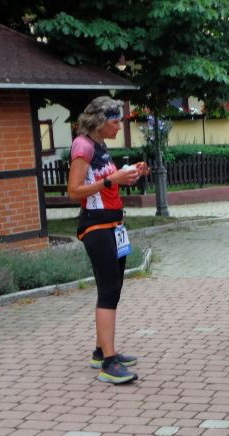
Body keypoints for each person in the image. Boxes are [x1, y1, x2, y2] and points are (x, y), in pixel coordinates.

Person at [67, 96, 150, 384]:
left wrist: (129, 175)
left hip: (114, 225)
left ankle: (101, 351)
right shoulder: (83, 146)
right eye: (115, 122)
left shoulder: (100, 145)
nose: (119, 127)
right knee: (109, 290)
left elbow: (107, 183)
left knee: (113, 289)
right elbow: (74, 191)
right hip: (97, 226)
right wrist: (111, 180)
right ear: (100, 122)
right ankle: (109, 364)